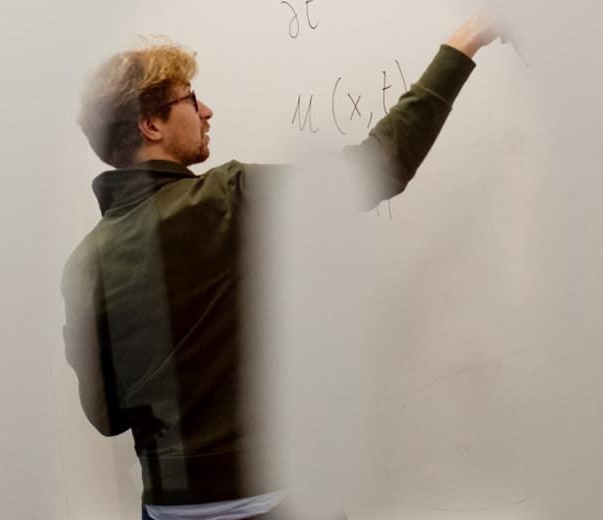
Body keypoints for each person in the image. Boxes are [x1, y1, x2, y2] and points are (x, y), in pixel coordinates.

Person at [61, 16, 502, 519]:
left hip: (164, 509)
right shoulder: (226, 196)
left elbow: (106, 416)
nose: (206, 110)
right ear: (152, 124)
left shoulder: (83, 264)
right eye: (189, 98)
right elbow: (380, 167)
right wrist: (460, 46)